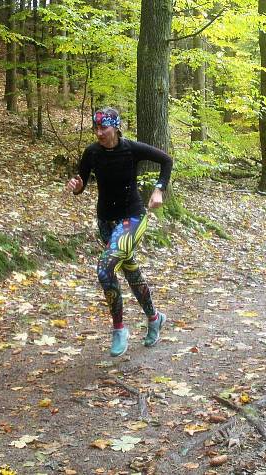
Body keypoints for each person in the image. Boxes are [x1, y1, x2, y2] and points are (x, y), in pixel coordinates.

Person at [65, 107, 173, 357]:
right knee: (129, 269)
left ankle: (119, 329)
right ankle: (155, 318)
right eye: (96, 128)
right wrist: (77, 186)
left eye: (104, 128)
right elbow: (80, 184)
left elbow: (166, 160)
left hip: (132, 217)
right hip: (106, 222)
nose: (99, 132)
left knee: (104, 269)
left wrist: (158, 190)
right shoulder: (91, 153)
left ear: (116, 127)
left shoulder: (131, 149)